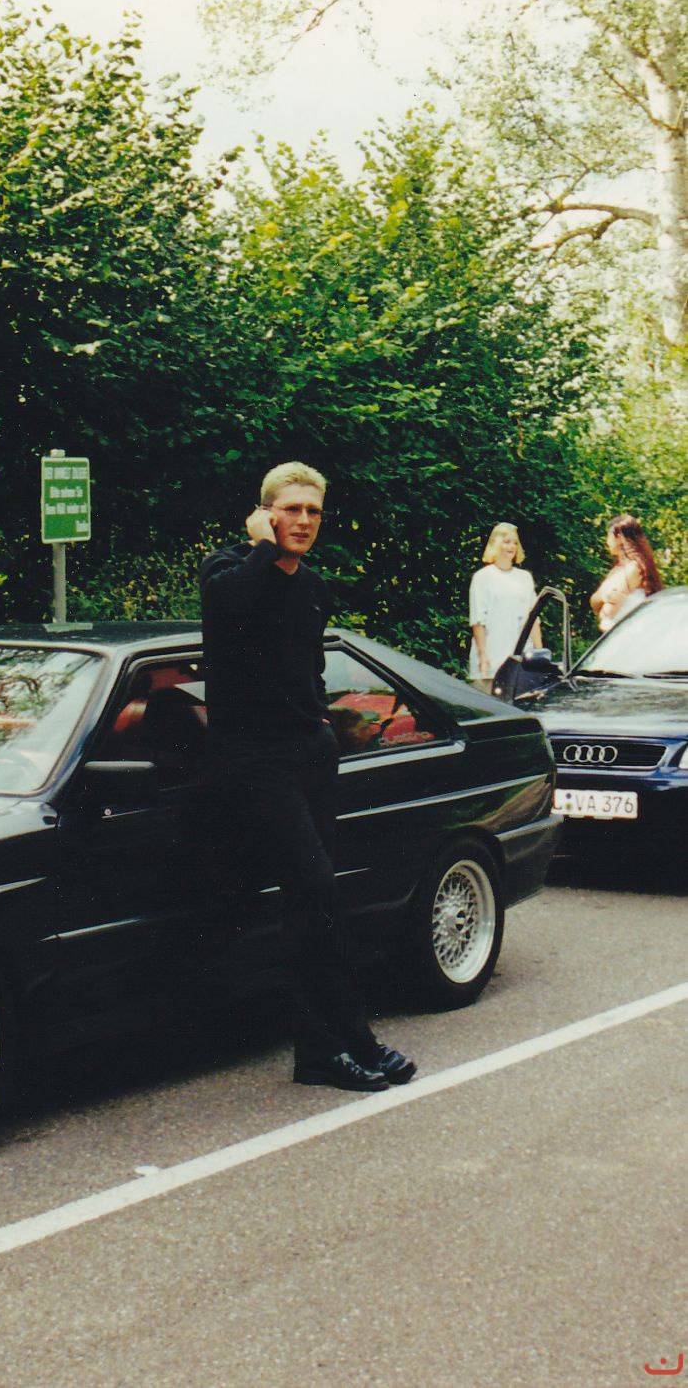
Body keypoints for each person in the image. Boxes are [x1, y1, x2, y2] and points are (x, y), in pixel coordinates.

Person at [199, 461, 414, 1093]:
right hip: (253, 761)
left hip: (309, 755)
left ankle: (333, 1048)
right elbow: (233, 605)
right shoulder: (226, 570)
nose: (303, 521)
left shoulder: (314, 587)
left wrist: (323, 721)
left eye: (313, 511)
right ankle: (344, 1044)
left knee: (316, 903)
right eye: (291, 510)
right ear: (266, 514)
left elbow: (308, 667)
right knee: (315, 890)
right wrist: (262, 548)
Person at [469, 523, 541, 691]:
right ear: (496, 544)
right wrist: (483, 656)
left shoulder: (525, 578)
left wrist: (539, 654)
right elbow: (478, 620)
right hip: (490, 662)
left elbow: (533, 619)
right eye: (507, 542)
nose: (512, 546)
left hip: (520, 664)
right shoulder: (483, 577)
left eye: (515, 543)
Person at [591, 514, 662, 632]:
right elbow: (594, 601)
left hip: (631, 633)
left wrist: (602, 599)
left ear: (618, 537)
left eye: (609, 536)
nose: (607, 542)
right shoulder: (619, 569)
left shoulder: (633, 569)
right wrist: (603, 596)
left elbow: (607, 612)